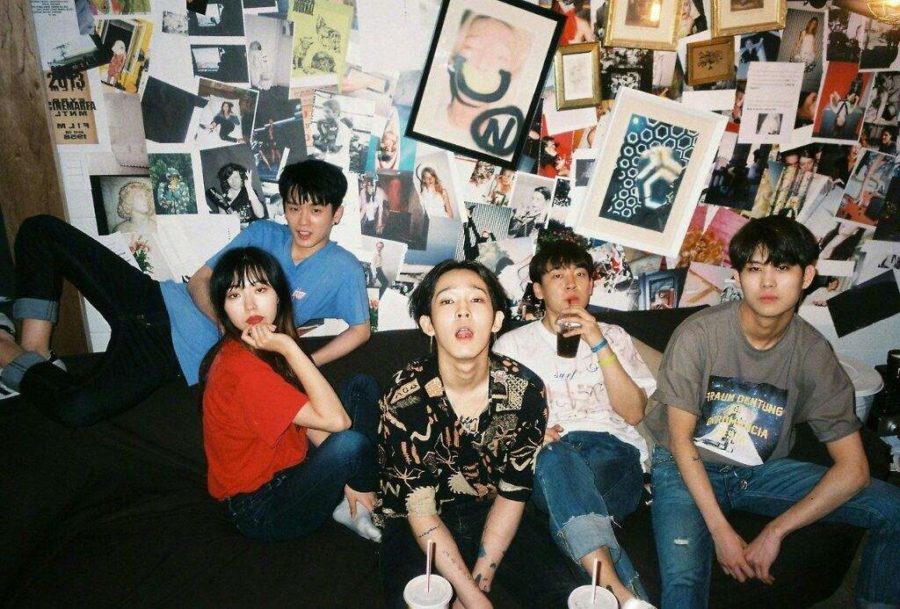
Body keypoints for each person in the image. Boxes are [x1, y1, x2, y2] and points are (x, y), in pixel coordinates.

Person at [642, 216, 900, 608]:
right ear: (738, 277)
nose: (767, 282)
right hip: (684, 465)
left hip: (760, 471)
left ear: (807, 275)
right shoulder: (699, 335)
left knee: (892, 507)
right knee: (683, 583)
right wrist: (721, 532)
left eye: (781, 267)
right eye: (754, 269)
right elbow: (679, 440)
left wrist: (776, 531)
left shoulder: (813, 353)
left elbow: (854, 470)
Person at [0, 159, 368, 427]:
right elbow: (198, 281)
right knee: (41, 231)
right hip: (155, 299)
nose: (303, 221)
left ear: (336, 214)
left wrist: (306, 361)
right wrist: (224, 323)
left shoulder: (344, 269)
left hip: (169, 353)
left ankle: (8, 350)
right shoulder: (263, 234)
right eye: (294, 208)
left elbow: (360, 330)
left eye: (316, 210)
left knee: (75, 411)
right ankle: (35, 350)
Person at [376, 260, 572, 609]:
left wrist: (479, 582)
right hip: (417, 520)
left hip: (494, 510)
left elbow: (513, 494)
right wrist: (468, 596)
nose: (463, 311)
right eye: (447, 301)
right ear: (428, 324)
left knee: (565, 595)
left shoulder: (526, 391)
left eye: (477, 300)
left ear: (497, 320)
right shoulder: (405, 396)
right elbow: (420, 511)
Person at [493, 241, 657, 609]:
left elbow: (634, 413)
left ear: (592, 284)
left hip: (614, 455)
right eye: (557, 276)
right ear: (538, 290)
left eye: (580, 274)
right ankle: (623, 595)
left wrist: (597, 342)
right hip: (548, 459)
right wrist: (533, 436)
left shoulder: (613, 336)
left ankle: (615, 593)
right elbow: (500, 423)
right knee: (556, 460)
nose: (571, 284)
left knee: (563, 497)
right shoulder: (512, 346)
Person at [201, 246, 380, 542]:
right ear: (224, 308)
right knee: (350, 444)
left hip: (291, 468)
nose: (249, 305)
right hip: (260, 507)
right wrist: (288, 347)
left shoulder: (264, 345)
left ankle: (352, 503)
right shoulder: (241, 367)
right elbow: (338, 423)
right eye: (234, 295)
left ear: (278, 295)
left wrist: (344, 473)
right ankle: (361, 500)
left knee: (361, 387)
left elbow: (310, 423)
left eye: (260, 289)